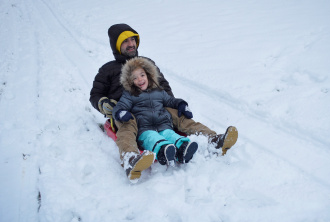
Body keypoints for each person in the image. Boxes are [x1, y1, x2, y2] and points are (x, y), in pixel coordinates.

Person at [89, 23, 238, 180]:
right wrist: (106, 104)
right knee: (127, 125)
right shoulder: (107, 69)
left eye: (133, 39)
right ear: (117, 45)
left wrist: (173, 104)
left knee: (179, 115)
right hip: (127, 111)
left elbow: (164, 86)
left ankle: (213, 139)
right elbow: (96, 94)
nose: (131, 44)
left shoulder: (146, 63)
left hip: (154, 105)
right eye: (125, 41)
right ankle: (130, 158)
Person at [113, 57, 199, 167]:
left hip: (164, 125)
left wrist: (181, 103)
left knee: (172, 135)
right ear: (130, 82)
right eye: (135, 78)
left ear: (148, 75)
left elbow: (170, 100)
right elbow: (120, 106)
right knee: (153, 138)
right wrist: (121, 112)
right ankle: (163, 151)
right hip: (145, 129)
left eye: (142, 75)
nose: (140, 79)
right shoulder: (130, 94)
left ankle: (183, 149)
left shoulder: (159, 91)